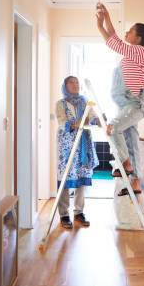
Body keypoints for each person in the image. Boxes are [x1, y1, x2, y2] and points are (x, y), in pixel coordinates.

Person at [95, 2, 144, 196]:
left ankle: (125, 162)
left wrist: (100, 25)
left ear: (138, 38)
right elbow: (116, 38)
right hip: (128, 103)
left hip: (134, 103)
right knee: (131, 141)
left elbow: (114, 42)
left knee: (113, 128)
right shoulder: (134, 52)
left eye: (129, 31)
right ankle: (135, 180)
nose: (126, 33)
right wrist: (106, 18)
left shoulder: (140, 51)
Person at [55, 76, 100, 228]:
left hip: (83, 144)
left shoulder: (85, 102)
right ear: (65, 85)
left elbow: (93, 117)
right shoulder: (60, 104)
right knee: (65, 179)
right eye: (72, 82)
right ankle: (64, 214)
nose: (76, 85)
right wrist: (78, 123)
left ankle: (79, 212)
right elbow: (63, 123)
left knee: (82, 175)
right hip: (67, 147)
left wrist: (101, 121)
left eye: (77, 83)